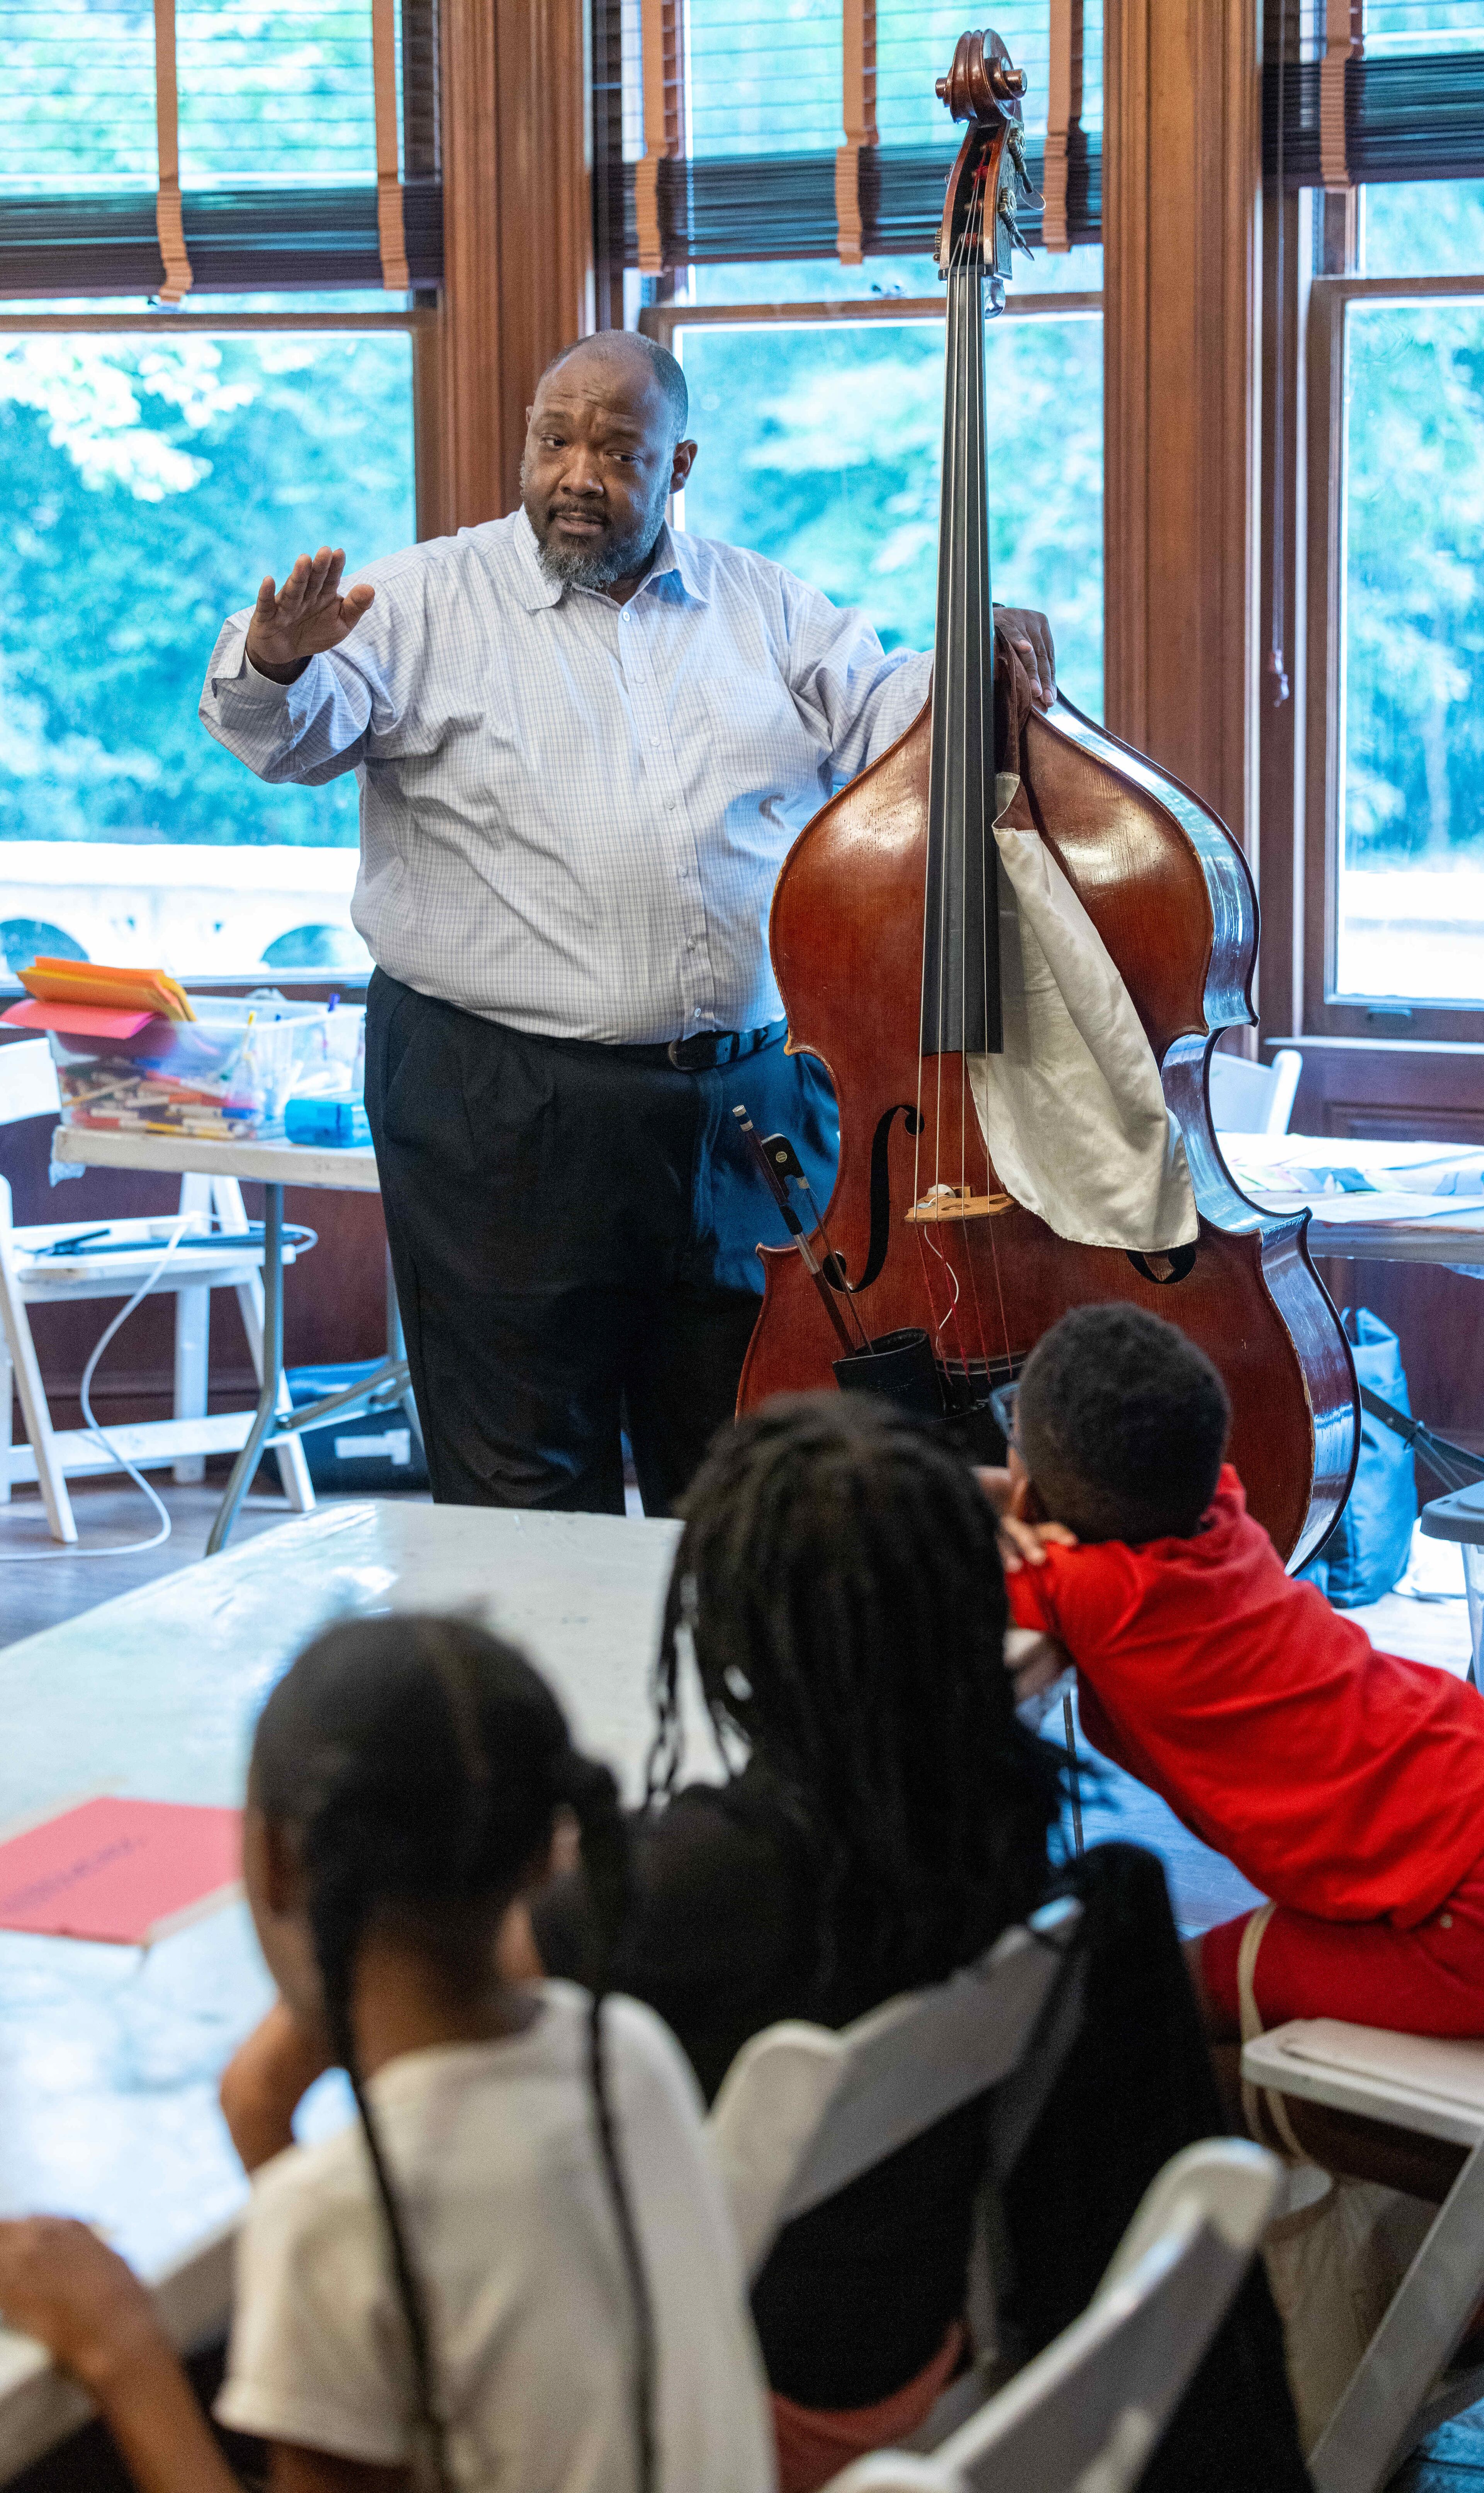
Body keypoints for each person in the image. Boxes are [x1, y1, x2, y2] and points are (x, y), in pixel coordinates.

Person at [198, 329, 1057, 1516]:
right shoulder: (420, 600)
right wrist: (277, 660)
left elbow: (898, 730)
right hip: (502, 1109)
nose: (578, 476)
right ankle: (557, 1708)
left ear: (680, 462)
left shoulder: (769, 609)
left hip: (749, 1115)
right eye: (555, 440)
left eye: (616, 449)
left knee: (755, 1469)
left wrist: (980, 662)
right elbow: (282, 737)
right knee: (525, 1486)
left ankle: (730, 1703)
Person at [0, 1615, 774, 2493]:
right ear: (543, 1856)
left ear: (276, 1860)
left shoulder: (338, 2216)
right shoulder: (629, 2056)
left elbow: (361, 2254)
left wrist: (120, 2348)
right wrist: (262, 2110)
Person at [510, 1392, 1063, 2490]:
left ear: (728, 1625)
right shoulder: (990, 1796)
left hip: (736, 2406)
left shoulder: (694, 1883)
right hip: (907, 2345)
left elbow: (447, 1974)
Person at [991, 1300, 1484, 2043]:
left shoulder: (1094, 1595)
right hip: (1457, 1774)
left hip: (1461, 1915)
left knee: (1161, 2000)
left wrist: (998, 1497)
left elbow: (927, 1526)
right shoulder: (1226, 1511)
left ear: (1028, 1492)